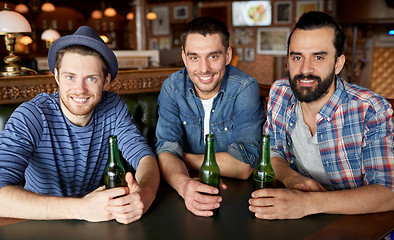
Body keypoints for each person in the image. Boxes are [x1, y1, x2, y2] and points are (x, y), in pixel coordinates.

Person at [0, 26, 160, 224]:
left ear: (106, 81)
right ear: (57, 76)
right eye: (70, 77)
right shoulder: (31, 115)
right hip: (40, 222)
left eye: (91, 78)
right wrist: (82, 208)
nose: (80, 89)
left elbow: (144, 157)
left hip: (98, 220)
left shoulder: (113, 106)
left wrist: (145, 194)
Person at [249, 11, 394, 219]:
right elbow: (273, 151)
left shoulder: (370, 109)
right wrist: (290, 178)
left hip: (356, 225)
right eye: (297, 57)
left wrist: (306, 203)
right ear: (287, 61)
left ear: (338, 63)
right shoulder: (280, 92)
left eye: (318, 57)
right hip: (297, 220)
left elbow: (388, 193)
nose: (305, 69)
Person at [155, 16, 265, 217]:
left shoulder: (244, 87)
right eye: (194, 57)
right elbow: (166, 148)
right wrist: (184, 185)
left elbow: (243, 166)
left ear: (227, 55)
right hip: (182, 195)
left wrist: (179, 158)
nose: (204, 68)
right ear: (184, 57)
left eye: (213, 56)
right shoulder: (172, 87)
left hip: (236, 201)